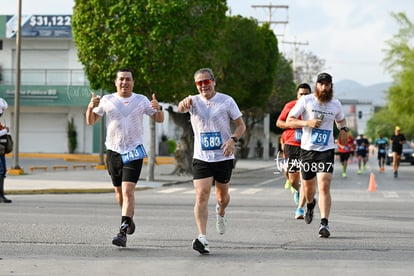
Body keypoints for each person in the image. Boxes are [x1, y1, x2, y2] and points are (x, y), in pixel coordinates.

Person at [86, 68, 164, 247]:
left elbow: (159, 119)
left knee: (128, 191)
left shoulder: (141, 100)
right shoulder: (107, 100)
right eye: (121, 79)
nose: (124, 82)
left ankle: (122, 233)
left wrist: (158, 108)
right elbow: (90, 121)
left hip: (133, 151)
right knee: (119, 194)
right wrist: (90, 106)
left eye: (128, 79)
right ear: (116, 82)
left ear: (133, 82)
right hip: (113, 151)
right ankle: (129, 219)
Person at [177, 68, 246, 254]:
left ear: (213, 82)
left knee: (222, 198)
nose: (203, 86)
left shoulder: (226, 101)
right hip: (202, 157)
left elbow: (241, 125)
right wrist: (182, 104)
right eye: (199, 83)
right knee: (201, 195)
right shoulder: (193, 101)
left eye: (206, 82)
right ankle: (202, 237)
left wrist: (233, 140)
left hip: (223, 156)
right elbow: (180, 108)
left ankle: (221, 212)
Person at [286, 72, 348, 238]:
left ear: (331, 86)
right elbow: (289, 120)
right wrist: (307, 123)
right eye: (321, 84)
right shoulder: (306, 100)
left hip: (326, 150)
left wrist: (343, 129)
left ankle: (324, 223)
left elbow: (341, 120)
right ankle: (310, 204)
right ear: (317, 86)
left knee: (324, 185)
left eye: (327, 84)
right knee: (308, 189)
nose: (324, 87)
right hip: (307, 150)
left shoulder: (336, 104)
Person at [276, 83, 311, 219]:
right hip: (292, 144)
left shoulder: (314, 108)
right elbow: (279, 123)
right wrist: (293, 124)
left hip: (308, 146)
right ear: (297, 95)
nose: (304, 96)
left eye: (306, 94)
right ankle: (297, 191)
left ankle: (300, 209)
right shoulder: (290, 106)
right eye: (301, 94)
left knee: (305, 178)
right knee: (293, 178)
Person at [0, 98, 11, 203]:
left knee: (3, 171)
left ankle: (1, 194)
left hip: (1, 150)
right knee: (1, 171)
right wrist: (5, 130)